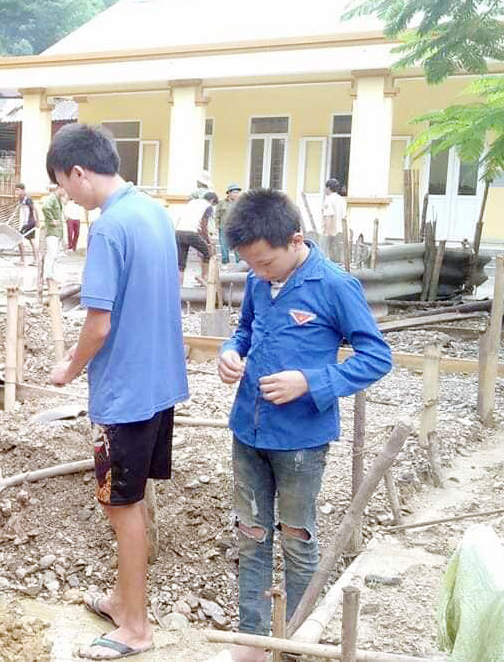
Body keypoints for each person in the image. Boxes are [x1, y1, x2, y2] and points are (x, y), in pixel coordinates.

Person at [208, 188, 392, 662]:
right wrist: (231, 351)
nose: (258, 272)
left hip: (301, 442)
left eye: (266, 263)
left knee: (296, 536)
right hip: (248, 430)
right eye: (250, 264)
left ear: (295, 240)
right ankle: (251, 638)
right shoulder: (256, 280)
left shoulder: (334, 285)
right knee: (249, 535)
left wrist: (309, 382)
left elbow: (377, 356)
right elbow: (245, 329)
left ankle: (293, 637)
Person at [46, 124, 188, 661]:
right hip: (161, 382)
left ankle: (136, 629)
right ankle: (120, 600)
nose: (66, 195)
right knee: (134, 500)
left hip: (125, 391)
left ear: (79, 172)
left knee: (121, 508)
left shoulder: (107, 229)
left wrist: (69, 366)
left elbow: (98, 325)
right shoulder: (153, 212)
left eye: (63, 184)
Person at [172, 191, 217, 286]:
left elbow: (181, 218)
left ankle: (179, 286)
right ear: (212, 201)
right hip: (190, 232)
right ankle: (204, 277)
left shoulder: (191, 203)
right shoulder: (207, 206)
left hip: (178, 232)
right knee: (208, 253)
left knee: (180, 263)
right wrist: (208, 242)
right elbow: (204, 226)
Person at [40, 185, 65, 284]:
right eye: (64, 190)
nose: (65, 193)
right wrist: (51, 220)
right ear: (59, 188)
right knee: (51, 254)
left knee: (55, 255)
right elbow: (45, 207)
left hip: (57, 232)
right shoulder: (52, 198)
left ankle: (52, 275)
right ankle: (48, 276)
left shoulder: (57, 199)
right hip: (52, 231)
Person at [215, 183, 242, 264]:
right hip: (223, 227)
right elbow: (217, 215)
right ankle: (225, 262)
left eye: (237, 192)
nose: (236, 194)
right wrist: (217, 226)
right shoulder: (222, 203)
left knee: (237, 246)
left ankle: (239, 263)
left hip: (235, 227)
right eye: (234, 192)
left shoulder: (240, 203)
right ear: (229, 193)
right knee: (224, 246)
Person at [321, 178, 346, 259]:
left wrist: (327, 235)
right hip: (341, 232)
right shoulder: (342, 199)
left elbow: (329, 217)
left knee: (329, 257)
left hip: (332, 234)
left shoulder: (328, 200)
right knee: (338, 258)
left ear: (328, 188)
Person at [15, 182, 38, 265]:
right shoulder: (21, 199)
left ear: (23, 190)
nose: (16, 192)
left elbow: (35, 209)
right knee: (29, 240)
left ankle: (24, 260)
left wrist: (37, 222)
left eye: (18, 190)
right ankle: (29, 260)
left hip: (30, 223)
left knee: (19, 239)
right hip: (26, 223)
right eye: (16, 190)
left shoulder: (27, 199)